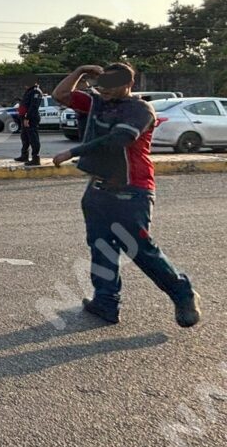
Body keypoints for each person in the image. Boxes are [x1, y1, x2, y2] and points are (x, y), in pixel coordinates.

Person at [52, 62, 201, 327]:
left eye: (113, 85)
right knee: (101, 246)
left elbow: (118, 139)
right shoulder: (98, 102)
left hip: (132, 190)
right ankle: (106, 302)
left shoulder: (140, 109)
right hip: (98, 189)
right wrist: (81, 71)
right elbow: (61, 95)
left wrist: (72, 152)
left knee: (140, 249)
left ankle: (183, 293)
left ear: (129, 84)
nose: (106, 90)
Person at [14, 78, 43, 166]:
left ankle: (36, 158)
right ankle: (24, 155)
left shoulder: (36, 92)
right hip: (24, 117)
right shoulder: (29, 91)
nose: (24, 85)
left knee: (33, 138)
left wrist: (27, 118)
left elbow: (33, 106)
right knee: (25, 137)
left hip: (31, 118)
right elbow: (26, 103)